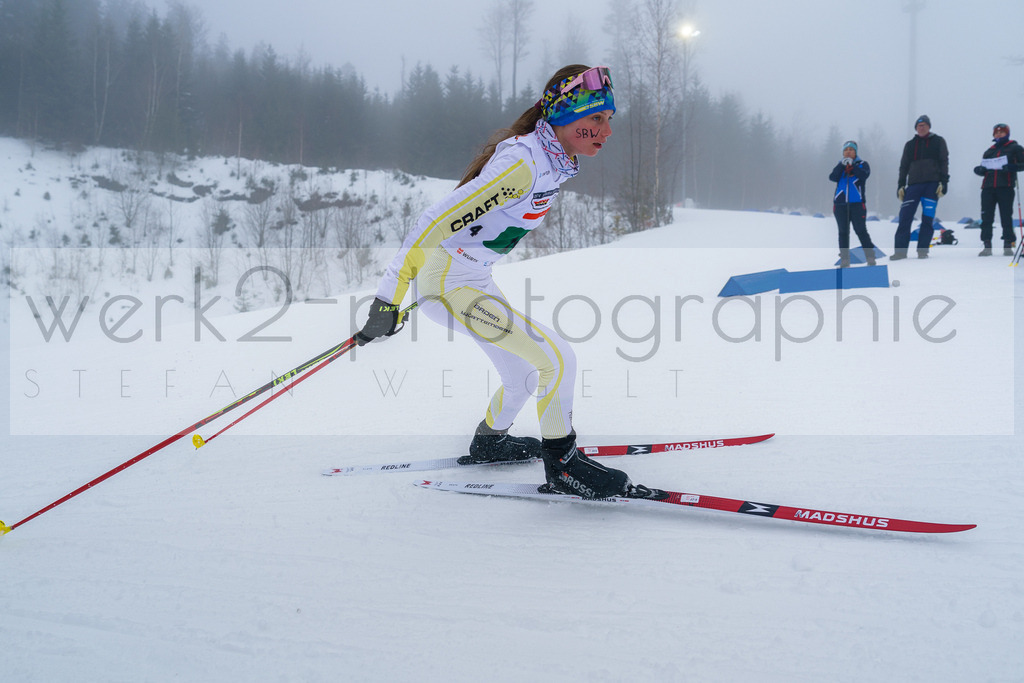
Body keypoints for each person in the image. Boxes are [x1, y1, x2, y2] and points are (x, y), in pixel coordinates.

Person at [355, 65, 657, 500]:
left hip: (472, 276)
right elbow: (433, 222)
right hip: (449, 283)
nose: (607, 131)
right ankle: (563, 466)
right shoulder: (523, 163)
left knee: (524, 372)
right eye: (596, 118)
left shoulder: (552, 160)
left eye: (609, 119)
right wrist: (388, 299)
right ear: (564, 115)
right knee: (556, 359)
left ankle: (490, 442)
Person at [893, 115, 949, 260]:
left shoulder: (938, 141)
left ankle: (922, 251)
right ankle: (900, 252)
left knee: (927, 219)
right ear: (916, 128)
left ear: (929, 127)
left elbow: (944, 162)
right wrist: (901, 185)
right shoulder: (910, 145)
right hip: (913, 186)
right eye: (919, 125)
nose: (921, 127)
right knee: (905, 217)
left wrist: (944, 182)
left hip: (932, 185)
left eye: (924, 125)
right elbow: (903, 166)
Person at [972, 123, 1024, 256]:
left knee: (1006, 216)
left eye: (1002, 132)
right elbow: (984, 168)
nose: (999, 134)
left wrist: (1012, 167)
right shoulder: (989, 151)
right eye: (996, 132)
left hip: (1005, 186)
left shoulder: (1015, 148)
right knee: (986, 216)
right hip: (988, 187)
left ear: (1007, 134)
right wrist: (979, 170)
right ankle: (987, 245)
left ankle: (1008, 244)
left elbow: (1022, 164)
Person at [829, 140, 876, 267]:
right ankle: (845, 259)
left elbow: (863, 175)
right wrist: (842, 166)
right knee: (843, 232)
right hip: (840, 205)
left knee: (861, 230)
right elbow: (832, 177)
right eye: (846, 150)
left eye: (851, 150)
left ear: (855, 152)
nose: (848, 152)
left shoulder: (862, 164)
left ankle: (870, 256)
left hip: (857, 204)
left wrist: (853, 166)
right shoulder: (840, 165)